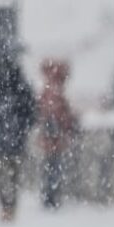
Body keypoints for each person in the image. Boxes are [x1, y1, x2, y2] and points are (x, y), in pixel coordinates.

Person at [0, 59, 36, 222]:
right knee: (13, 175)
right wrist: (23, 128)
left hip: (0, 139)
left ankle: (6, 207)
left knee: (2, 175)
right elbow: (31, 113)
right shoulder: (20, 87)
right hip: (15, 139)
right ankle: (10, 206)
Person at [37, 58, 77, 209]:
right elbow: (61, 115)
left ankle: (48, 195)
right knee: (54, 167)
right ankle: (51, 197)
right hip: (56, 138)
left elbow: (42, 110)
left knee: (48, 167)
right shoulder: (56, 90)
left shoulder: (47, 89)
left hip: (48, 137)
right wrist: (68, 124)